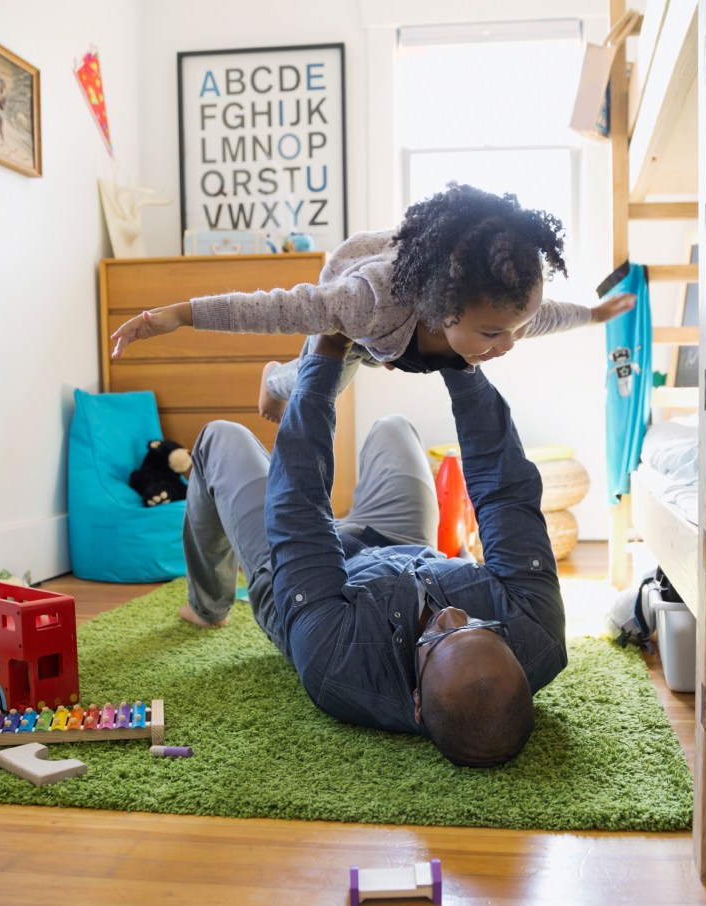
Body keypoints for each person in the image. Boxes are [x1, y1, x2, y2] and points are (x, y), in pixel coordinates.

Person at [182, 332, 566, 767]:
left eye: (438, 636)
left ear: (417, 702)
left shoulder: (335, 663)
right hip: (403, 548)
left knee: (220, 437)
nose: (453, 614)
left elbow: (299, 508)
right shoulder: (537, 628)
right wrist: (456, 356)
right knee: (394, 427)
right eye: (481, 625)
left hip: (309, 583)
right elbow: (504, 492)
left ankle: (207, 605)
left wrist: (325, 359)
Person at [108, 183, 634, 422]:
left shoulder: (498, 311)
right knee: (321, 385)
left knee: (503, 332)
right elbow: (274, 307)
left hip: (402, 328)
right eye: (494, 334)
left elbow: (545, 317)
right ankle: (274, 379)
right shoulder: (365, 305)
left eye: (513, 331)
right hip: (360, 317)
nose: (508, 345)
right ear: (442, 308)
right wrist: (177, 315)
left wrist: (594, 316)